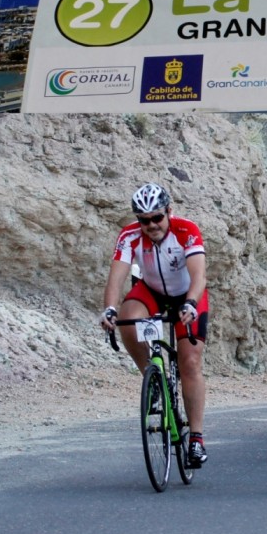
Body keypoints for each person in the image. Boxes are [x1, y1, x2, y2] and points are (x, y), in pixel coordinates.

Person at [100, 183, 210, 467]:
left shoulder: (186, 230)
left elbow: (198, 276)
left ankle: (196, 437)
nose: (151, 225)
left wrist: (190, 303)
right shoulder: (130, 236)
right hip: (151, 292)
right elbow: (116, 279)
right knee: (127, 316)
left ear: (169, 212)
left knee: (190, 363)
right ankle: (152, 377)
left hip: (187, 295)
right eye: (144, 220)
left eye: (157, 218)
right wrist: (109, 310)